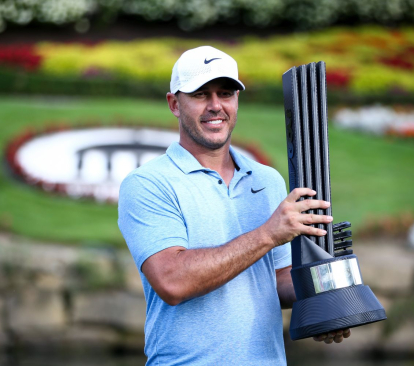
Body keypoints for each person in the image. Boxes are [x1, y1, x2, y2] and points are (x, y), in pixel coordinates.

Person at [118, 46, 350, 365]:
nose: (216, 106)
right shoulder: (147, 183)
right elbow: (172, 281)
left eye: (225, 93)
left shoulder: (267, 180)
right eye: (200, 94)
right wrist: (268, 234)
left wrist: (326, 294)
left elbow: (277, 279)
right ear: (174, 103)